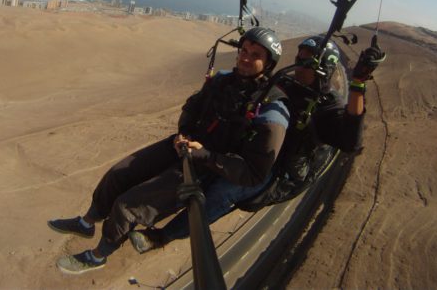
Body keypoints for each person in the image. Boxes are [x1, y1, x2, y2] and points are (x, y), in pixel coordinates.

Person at [48, 27, 290, 274]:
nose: (245, 58)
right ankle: (86, 222)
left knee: (128, 205)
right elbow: (192, 107)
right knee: (118, 174)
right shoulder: (223, 81)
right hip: (182, 146)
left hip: (204, 168)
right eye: (244, 51)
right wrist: (183, 132)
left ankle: (98, 256)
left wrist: (205, 155)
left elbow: (253, 174)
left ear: (269, 63)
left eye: (255, 55)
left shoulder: (271, 110)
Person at [127, 33, 385, 252]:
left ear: (323, 67)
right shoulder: (285, 82)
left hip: (276, 171)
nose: (299, 63)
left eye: (307, 60)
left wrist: (359, 83)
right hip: (251, 148)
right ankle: (138, 204)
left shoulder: (327, 108)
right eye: (299, 57)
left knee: (223, 190)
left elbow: (351, 141)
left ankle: (164, 236)